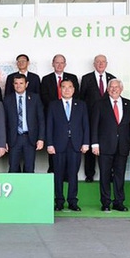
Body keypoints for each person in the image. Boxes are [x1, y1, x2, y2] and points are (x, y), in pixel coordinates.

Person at [90, 79, 130, 212]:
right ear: (107, 90)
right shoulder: (99, 104)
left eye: (117, 87)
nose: (114, 89)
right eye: (111, 87)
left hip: (122, 146)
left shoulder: (129, 105)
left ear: (121, 89)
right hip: (104, 146)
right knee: (105, 175)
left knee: (120, 175)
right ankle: (105, 203)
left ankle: (119, 202)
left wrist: (129, 143)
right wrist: (94, 144)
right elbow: (94, 125)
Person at [46, 79, 89, 211]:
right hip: (58, 145)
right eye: (63, 87)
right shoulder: (53, 105)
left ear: (74, 89)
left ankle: (72, 201)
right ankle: (59, 201)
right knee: (57, 174)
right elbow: (49, 126)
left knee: (73, 174)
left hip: (75, 144)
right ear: (60, 89)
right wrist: (50, 144)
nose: (67, 89)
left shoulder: (81, 105)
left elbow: (85, 125)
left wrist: (85, 142)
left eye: (70, 87)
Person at [79, 54, 116, 183]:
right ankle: (90, 174)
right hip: (90, 118)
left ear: (106, 63)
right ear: (94, 64)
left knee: (107, 146)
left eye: (103, 62)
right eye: (98, 62)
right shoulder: (86, 78)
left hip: (107, 120)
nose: (100, 64)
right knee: (90, 146)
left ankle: (109, 174)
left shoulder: (112, 78)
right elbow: (81, 99)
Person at [40, 54, 79, 173]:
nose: (59, 65)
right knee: (54, 147)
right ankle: (53, 171)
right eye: (57, 62)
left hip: (70, 118)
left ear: (65, 64)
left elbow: (76, 96)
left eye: (62, 63)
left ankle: (67, 174)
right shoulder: (46, 79)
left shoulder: (72, 77)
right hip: (54, 116)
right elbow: (44, 97)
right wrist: (57, 107)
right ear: (52, 64)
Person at [3, 73, 44, 173]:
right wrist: (4, 141)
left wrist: (41, 138)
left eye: (21, 83)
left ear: (26, 84)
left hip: (30, 138)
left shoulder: (35, 98)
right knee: (13, 168)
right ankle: (15, 188)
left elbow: (41, 119)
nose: (18, 85)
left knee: (29, 168)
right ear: (13, 85)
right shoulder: (7, 99)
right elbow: (4, 122)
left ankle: (28, 188)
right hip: (14, 138)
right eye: (16, 83)